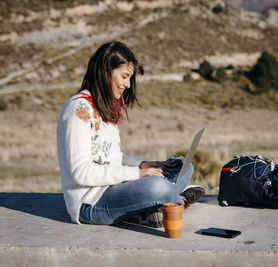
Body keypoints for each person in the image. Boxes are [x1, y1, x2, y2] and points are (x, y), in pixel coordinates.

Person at [56, 41, 204, 226]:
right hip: (91, 203)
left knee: (182, 166)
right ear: (105, 71)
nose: (127, 84)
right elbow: (81, 173)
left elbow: (112, 157)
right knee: (157, 187)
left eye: (129, 78)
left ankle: (157, 203)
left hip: (116, 188)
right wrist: (138, 174)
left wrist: (143, 164)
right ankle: (176, 201)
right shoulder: (79, 110)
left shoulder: (104, 106)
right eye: (124, 76)